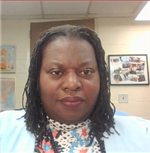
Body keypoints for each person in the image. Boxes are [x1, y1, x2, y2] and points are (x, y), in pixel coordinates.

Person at [0, 25, 149, 153]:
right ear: (36, 80)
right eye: (56, 72)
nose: (72, 84)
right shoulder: (3, 130)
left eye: (86, 72)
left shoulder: (143, 135)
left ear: (101, 77)